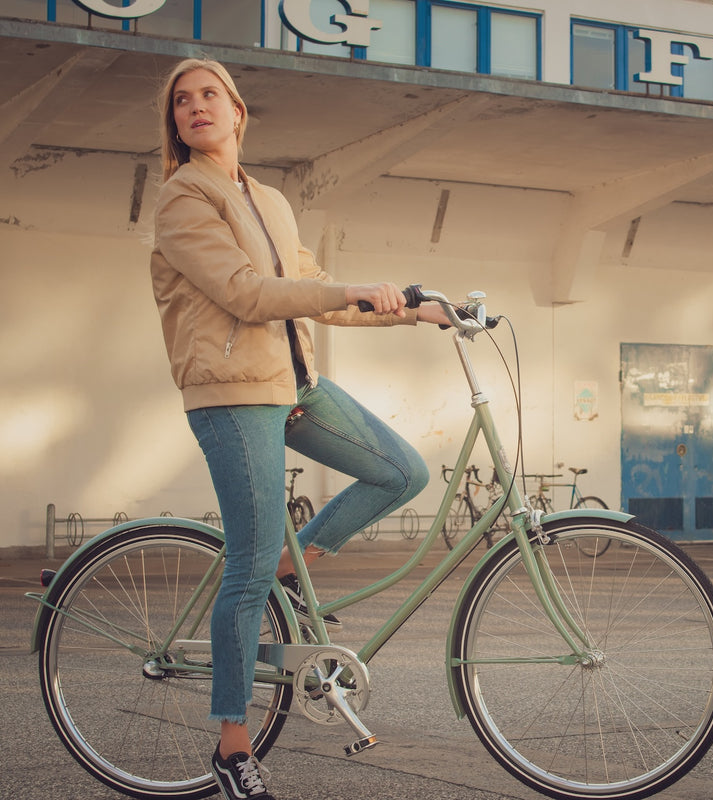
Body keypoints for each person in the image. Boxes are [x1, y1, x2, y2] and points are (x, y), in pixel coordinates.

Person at [150, 58, 449, 800]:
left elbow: (313, 293)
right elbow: (248, 294)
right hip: (229, 393)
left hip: (293, 385)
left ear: (238, 110)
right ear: (175, 122)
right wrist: (350, 287)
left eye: (208, 95)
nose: (196, 107)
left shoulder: (269, 199)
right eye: (182, 101)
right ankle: (231, 745)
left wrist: (417, 309)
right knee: (245, 566)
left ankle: (296, 562)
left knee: (400, 470)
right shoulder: (183, 197)